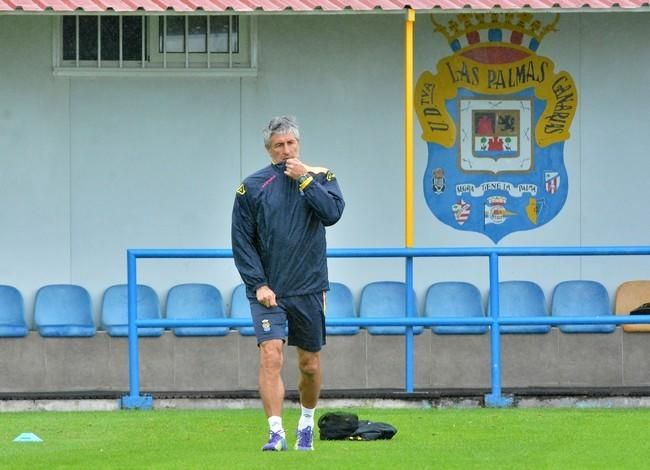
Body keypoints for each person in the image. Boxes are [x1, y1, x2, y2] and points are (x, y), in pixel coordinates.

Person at [231, 116, 345, 452]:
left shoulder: (323, 177)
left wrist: (306, 180)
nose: (285, 151)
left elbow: (333, 214)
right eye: (278, 146)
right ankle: (276, 433)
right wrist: (258, 284)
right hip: (269, 293)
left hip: (309, 287)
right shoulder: (252, 187)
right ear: (269, 149)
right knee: (271, 356)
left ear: (299, 144)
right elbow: (242, 241)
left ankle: (306, 425)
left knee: (309, 365)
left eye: (290, 144)